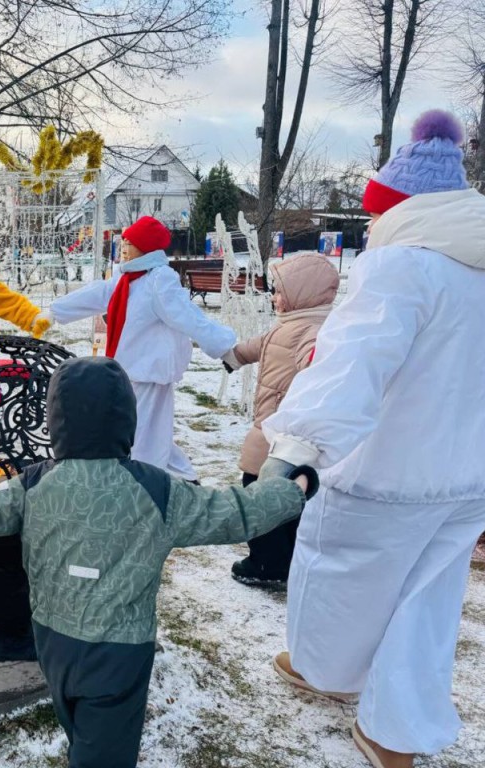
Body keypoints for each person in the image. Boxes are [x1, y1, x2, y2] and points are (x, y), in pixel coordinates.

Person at [0, 356, 317, 768]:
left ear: (56, 421)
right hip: (120, 649)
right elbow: (239, 513)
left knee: (78, 727)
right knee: (105, 747)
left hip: (52, 640)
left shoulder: (33, 483)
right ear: (126, 420)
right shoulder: (158, 490)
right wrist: (291, 486)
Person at [259, 111, 485, 768]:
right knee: (429, 605)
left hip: (383, 470)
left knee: (340, 573)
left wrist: (295, 449)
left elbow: (350, 364)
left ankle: (325, 667)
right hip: (467, 473)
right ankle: (394, 733)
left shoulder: (400, 266)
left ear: (397, 209)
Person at [45, 216, 236, 481]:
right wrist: (55, 311)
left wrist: (225, 347)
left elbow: (189, 317)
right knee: (152, 433)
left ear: (145, 247)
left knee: (144, 435)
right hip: (128, 369)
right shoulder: (127, 278)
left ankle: (146, 485)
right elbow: (97, 293)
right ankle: (187, 479)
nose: (123, 245)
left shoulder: (160, 280)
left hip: (150, 371)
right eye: (123, 239)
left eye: (130, 241)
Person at [222, 253, 339, 586]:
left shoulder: (314, 332)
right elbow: (259, 346)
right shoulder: (288, 325)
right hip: (270, 426)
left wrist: (315, 368)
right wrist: (233, 356)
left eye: (279, 292)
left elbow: (315, 359)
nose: (274, 298)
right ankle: (284, 559)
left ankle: (268, 563)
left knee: (259, 497)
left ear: (302, 293)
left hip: (281, 430)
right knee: (279, 498)